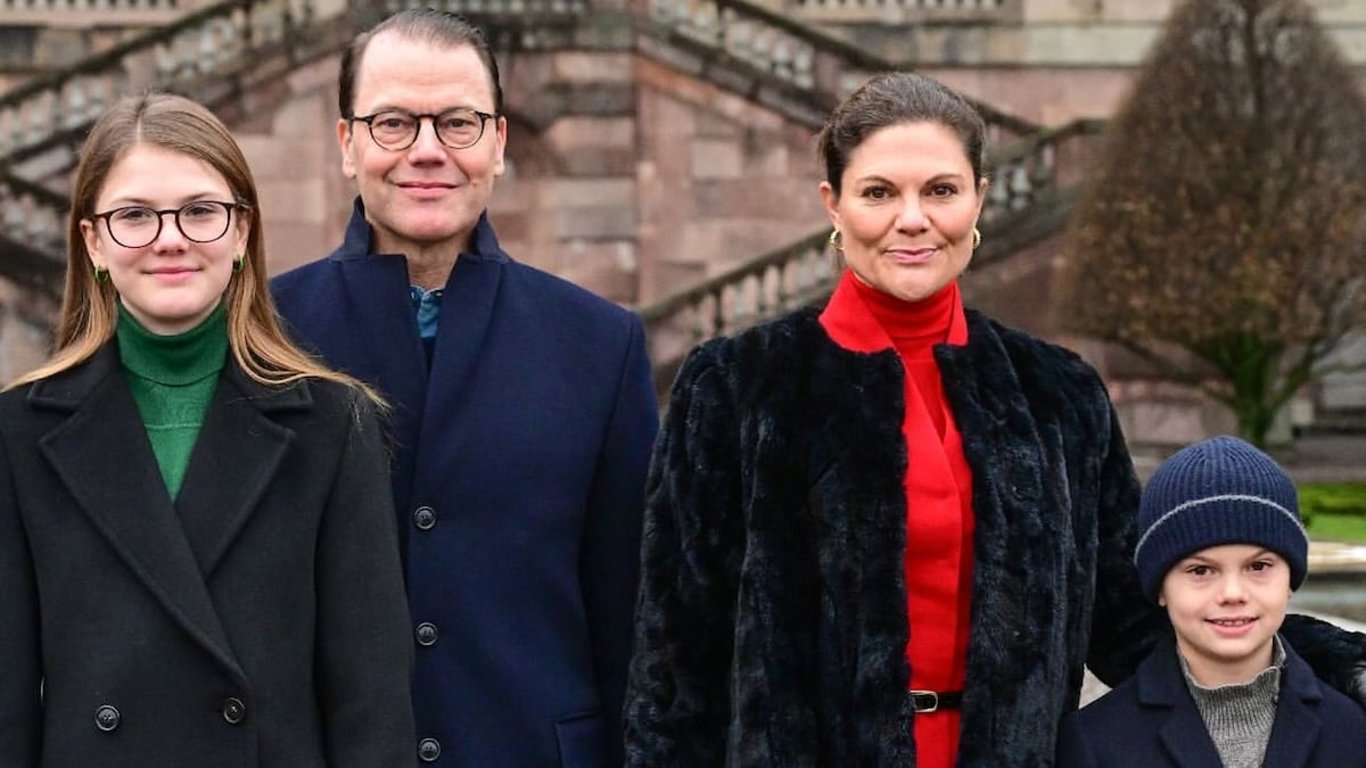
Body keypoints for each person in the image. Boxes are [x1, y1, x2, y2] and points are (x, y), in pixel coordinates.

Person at [623, 71, 1366, 767]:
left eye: (940, 191)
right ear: (833, 204)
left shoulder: (1059, 393)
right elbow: (676, 652)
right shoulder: (737, 385)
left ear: (979, 197)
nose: (912, 221)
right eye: (879, 193)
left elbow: (1135, 615)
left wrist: (1332, 659)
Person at [270, 8, 659, 766]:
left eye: (457, 122)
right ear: (346, 144)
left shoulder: (601, 343)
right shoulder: (266, 331)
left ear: (499, 143)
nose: (426, 152)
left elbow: (633, 620)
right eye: (392, 124)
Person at [0, 93, 415, 767]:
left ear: (243, 233)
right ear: (94, 242)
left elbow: (371, 703)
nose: (171, 237)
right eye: (134, 215)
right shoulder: (17, 433)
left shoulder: (337, 426)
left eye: (200, 211)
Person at [1056, 436, 1366, 767]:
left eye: (1258, 566)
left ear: (1290, 578)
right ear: (1160, 587)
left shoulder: (1352, 728)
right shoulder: (1094, 741)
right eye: (1201, 570)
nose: (1232, 593)